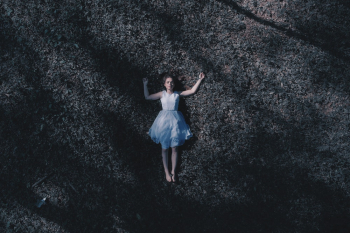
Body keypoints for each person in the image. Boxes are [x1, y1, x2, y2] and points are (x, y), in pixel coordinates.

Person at [143, 72, 205, 183]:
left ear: (174, 84)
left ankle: (173, 172)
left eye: (171, 82)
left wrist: (199, 80)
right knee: (164, 148)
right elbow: (147, 97)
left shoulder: (177, 94)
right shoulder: (162, 94)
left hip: (176, 122)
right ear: (164, 84)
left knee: (175, 148)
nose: (170, 84)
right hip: (163, 122)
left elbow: (192, 91)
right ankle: (166, 172)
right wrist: (145, 84)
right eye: (168, 82)